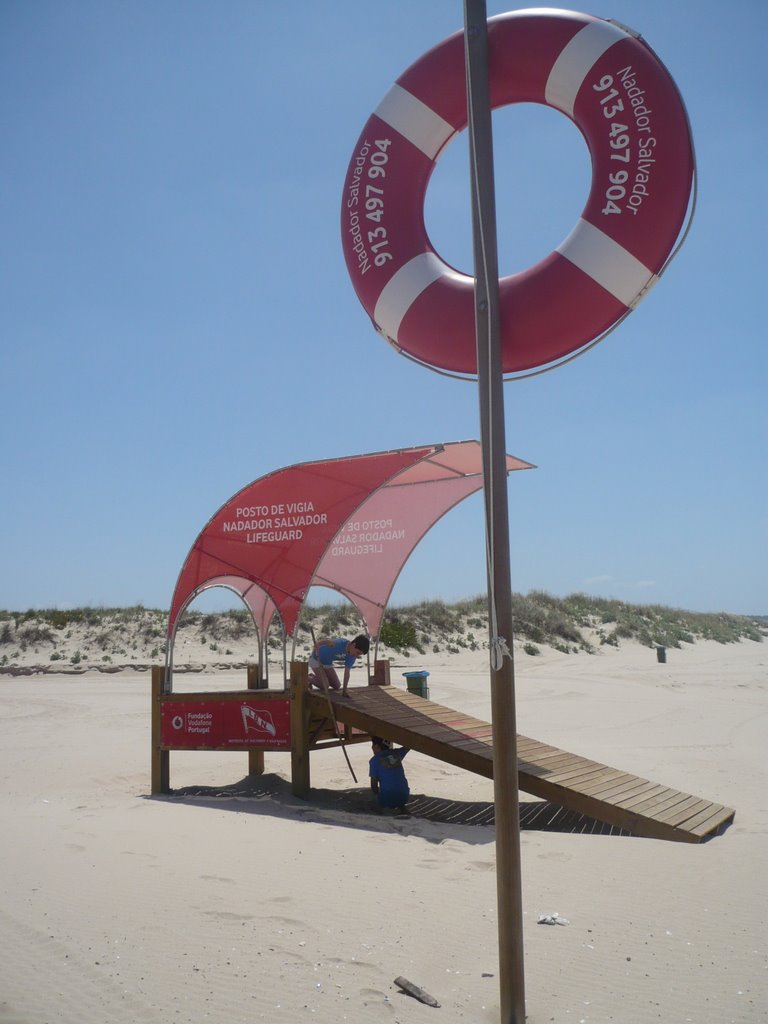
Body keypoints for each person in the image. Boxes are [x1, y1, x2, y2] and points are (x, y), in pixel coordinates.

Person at [369, 736, 410, 812]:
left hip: (386, 798)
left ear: (377, 746)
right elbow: (408, 747)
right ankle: (401, 807)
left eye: (372, 745)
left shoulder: (374, 761)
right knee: (397, 793)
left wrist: (377, 794)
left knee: (381, 797)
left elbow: (373, 786)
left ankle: (386, 805)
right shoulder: (397, 753)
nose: (372, 747)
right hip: (404, 795)